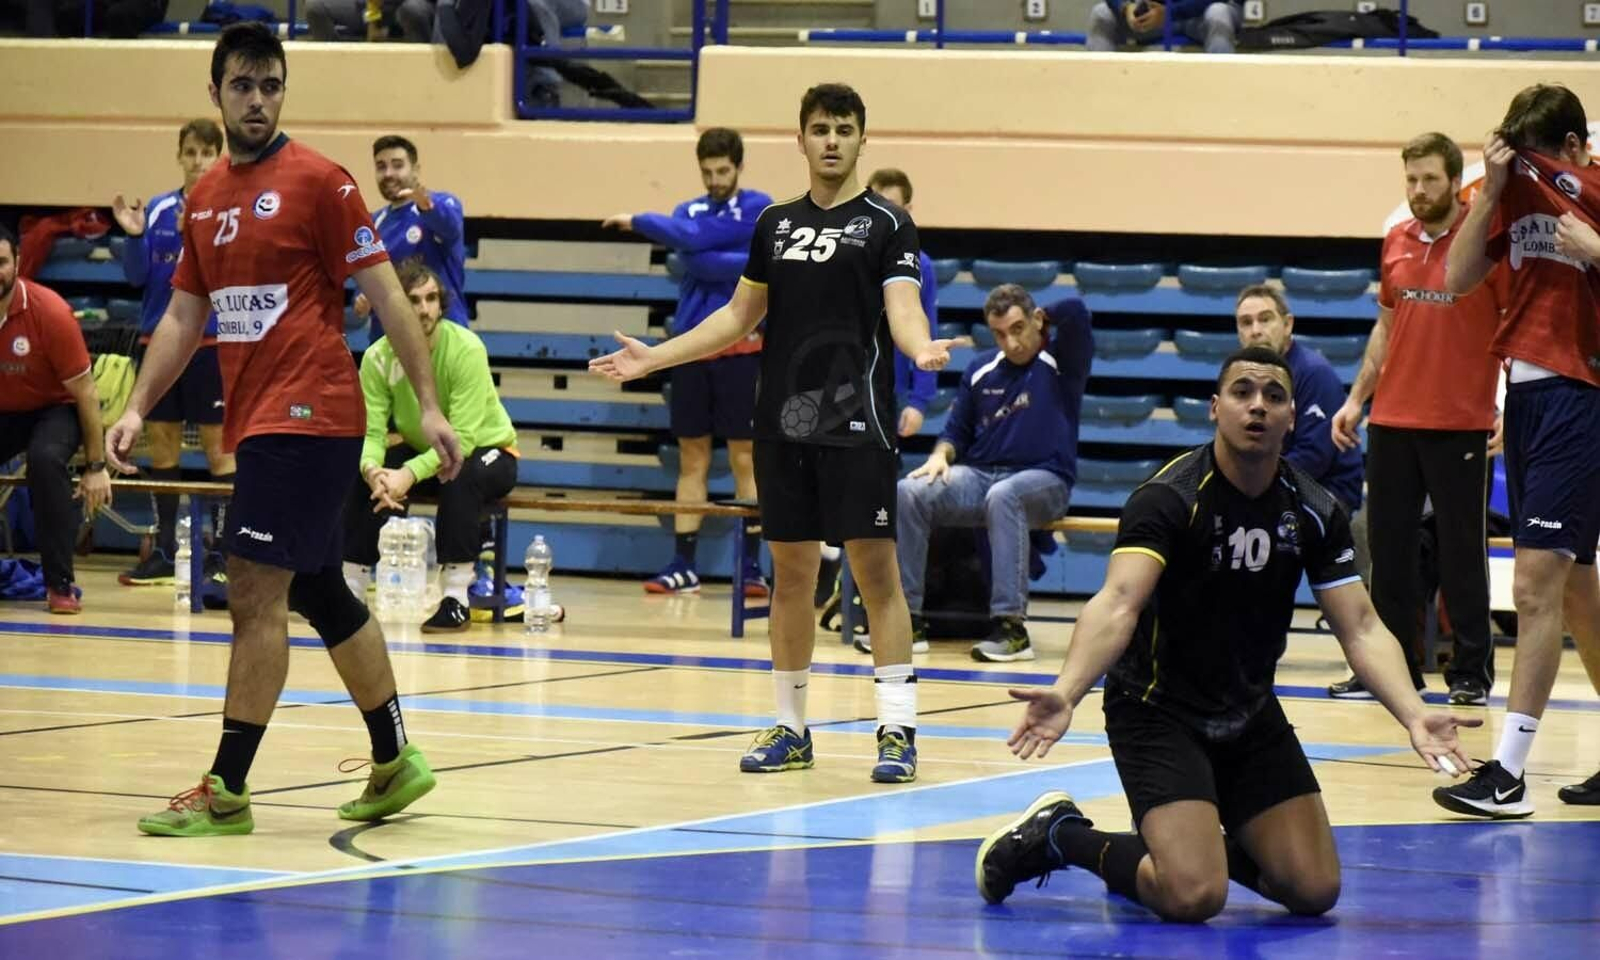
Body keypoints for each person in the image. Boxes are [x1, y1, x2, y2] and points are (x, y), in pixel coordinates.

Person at [106, 23, 463, 836]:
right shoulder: (203, 201)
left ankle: (227, 790)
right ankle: (395, 758)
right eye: (243, 86)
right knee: (314, 587)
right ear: (217, 94)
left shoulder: (321, 184)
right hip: (261, 412)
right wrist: (133, 406)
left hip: (309, 411)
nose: (258, 100)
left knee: (252, 589)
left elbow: (391, 297)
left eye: (271, 86)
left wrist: (429, 404)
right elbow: (184, 316)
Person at [974, 346, 1479, 922]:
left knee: (1314, 891)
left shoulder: (1314, 510)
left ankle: (1194, 841)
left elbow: (1361, 627)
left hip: (1248, 713)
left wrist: (1414, 713)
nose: (1257, 406)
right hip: (1157, 709)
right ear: (1215, 409)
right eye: (1242, 392)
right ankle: (1063, 835)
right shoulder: (1169, 498)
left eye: (1273, 395)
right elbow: (1117, 603)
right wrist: (1067, 691)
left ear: (1292, 416)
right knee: (1194, 896)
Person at [591, 83, 952, 783]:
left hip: (859, 423)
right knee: (788, 577)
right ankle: (791, 728)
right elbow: (736, 317)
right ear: (800, 138)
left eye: (844, 129)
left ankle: (897, 729)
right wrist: (655, 356)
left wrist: (919, 349)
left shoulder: (887, 223)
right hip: (783, 425)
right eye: (819, 128)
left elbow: (903, 306)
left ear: (861, 139)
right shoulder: (775, 225)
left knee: (876, 578)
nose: (831, 140)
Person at [1434, 83, 1600, 816]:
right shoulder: (1509, 192)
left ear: (1573, 148)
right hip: (1527, 397)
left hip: (1581, 394)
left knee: (1533, 586)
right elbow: (1457, 277)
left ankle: (1507, 772)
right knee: (1577, 594)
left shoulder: (1593, 189)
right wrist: (1492, 187)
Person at [1329, 132, 1506, 706]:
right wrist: (1357, 400)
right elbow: (1387, 327)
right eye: (1411, 179)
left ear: (1457, 182)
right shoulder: (1397, 241)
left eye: (1430, 179)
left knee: (1461, 551)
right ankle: (1391, 668)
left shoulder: (1485, 244)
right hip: (1393, 421)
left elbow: (1511, 327)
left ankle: (1471, 674)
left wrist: (1506, 402)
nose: (1418, 190)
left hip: (1460, 420)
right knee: (1389, 551)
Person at [602, 128, 772, 597]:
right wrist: (709, 247)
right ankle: (684, 565)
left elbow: (703, 251)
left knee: (745, 458)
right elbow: (694, 252)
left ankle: (752, 567)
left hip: (745, 351)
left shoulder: (762, 207)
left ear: (739, 167)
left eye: (723, 171)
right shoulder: (687, 211)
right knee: (691, 458)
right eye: (708, 172)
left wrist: (652, 224)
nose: (715, 180)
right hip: (691, 349)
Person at [879, 285, 1090, 664]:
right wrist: (941, 455)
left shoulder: (1063, 361)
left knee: (1004, 495)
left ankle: (1012, 629)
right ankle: (908, 622)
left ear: (1036, 321)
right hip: (981, 475)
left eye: (1018, 328)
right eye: (999, 333)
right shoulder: (980, 369)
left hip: (1045, 479)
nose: (1010, 342)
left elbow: (1076, 309)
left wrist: (1044, 315)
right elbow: (955, 431)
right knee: (908, 491)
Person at [342, 260, 518, 632]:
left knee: (460, 471)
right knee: (361, 470)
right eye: (414, 300)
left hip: (489, 451)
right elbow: (371, 433)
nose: (424, 309)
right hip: (425, 452)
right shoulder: (377, 357)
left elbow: (463, 440)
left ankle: (456, 597)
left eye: (431, 299)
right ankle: (351, 590)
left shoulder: (466, 348)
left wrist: (407, 474)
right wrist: (375, 471)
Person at [111, 118, 238, 597]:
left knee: (218, 451)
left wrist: (198, 235)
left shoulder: (230, 209)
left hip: (210, 345)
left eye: (208, 152)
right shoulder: (160, 209)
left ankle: (225, 557)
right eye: (191, 152)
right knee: (162, 446)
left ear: (219, 157)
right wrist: (133, 235)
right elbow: (135, 275)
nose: (199, 161)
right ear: (180, 156)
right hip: (157, 343)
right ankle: (165, 552)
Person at [0, 223, 112, 614]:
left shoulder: (49, 312)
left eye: (0, 262)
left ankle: (58, 583)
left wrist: (96, 466)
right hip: (5, 412)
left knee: (46, 461)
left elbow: (86, 393)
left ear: (16, 263)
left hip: (55, 409)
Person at [1234, 285, 1364, 518]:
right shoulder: (1240, 379)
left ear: (1287, 325)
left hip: (1327, 490)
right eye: (1246, 322)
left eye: (1265, 320)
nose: (1255, 330)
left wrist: (1253, 482)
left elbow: (1315, 457)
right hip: (1272, 482)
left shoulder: (1314, 373)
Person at [354, 135, 467, 345]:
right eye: (381, 167)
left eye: (397, 166)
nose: (388, 173)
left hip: (443, 340)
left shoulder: (441, 204)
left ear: (415, 170)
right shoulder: (372, 224)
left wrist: (428, 208)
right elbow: (367, 280)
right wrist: (361, 300)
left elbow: (449, 227)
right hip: (390, 344)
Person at [1087, 1, 1243, 54]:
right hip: (1154, 16)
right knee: (1101, 13)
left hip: (1201, 15)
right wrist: (1125, 7)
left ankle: (1221, 95)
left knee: (1219, 12)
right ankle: (1102, 95)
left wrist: (1170, 12)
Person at [305, 0, 436, 43]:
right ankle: (334, 68)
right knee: (315, 7)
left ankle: (419, 73)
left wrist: (377, 20)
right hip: (369, 8)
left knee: (413, 10)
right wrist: (373, 16)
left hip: (407, 6)